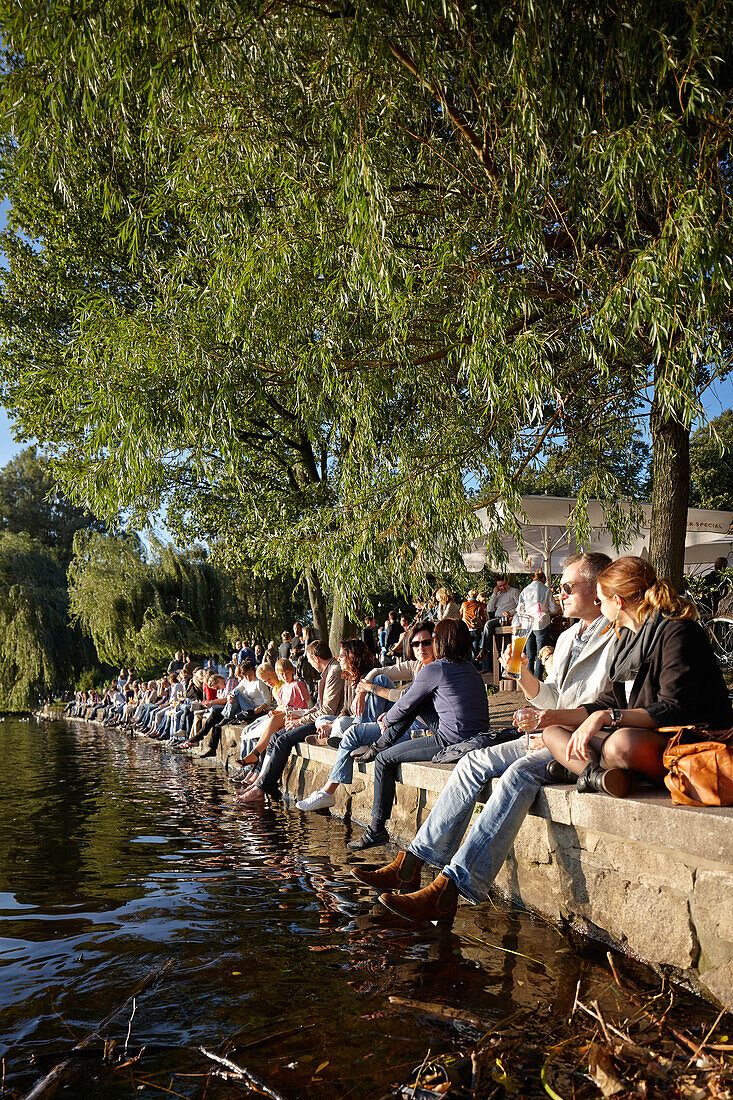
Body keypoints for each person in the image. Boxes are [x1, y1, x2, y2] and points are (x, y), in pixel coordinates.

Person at [351, 552, 615, 923]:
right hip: (550, 728)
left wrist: (551, 725)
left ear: (598, 587)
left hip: (578, 739)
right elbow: (552, 696)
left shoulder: (617, 634)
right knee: (473, 761)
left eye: (568, 586)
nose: (559, 593)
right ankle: (411, 863)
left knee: (516, 775)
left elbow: (607, 704)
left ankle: (447, 889)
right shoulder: (570, 635)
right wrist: (523, 675)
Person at [542, 555, 733, 796]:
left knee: (620, 745)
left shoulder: (678, 632)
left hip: (686, 740)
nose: (599, 607)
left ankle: (585, 771)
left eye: (601, 601)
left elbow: (671, 710)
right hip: (646, 736)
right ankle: (600, 777)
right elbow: (607, 700)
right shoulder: (628, 637)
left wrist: (608, 717)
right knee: (554, 730)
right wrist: (551, 716)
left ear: (618, 602)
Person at [347, 618, 490, 851]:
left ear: (441, 641)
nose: (429, 643)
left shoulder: (437, 668)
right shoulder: (470, 668)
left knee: (384, 760)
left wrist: (387, 719)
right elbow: (409, 702)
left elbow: (403, 706)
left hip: (454, 741)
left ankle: (376, 830)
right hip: (475, 736)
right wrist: (394, 716)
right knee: (416, 703)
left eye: (433, 639)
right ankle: (378, 747)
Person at [296, 625, 435, 812]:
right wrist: (363, 690)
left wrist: (370, 689)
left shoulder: (437, 669)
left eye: (425, 643)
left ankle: (327, 793)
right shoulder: (415, 666)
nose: (420, 648)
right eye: (415, 644)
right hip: (399, 722)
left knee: (352, 727)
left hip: (420, 730)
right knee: (342, 720)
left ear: (435, 642)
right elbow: (380, 671)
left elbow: (407, 700)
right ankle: (348, 741)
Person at [235, 640, 344, 806]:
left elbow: (328, 711)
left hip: (328, 722)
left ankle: (261, 788)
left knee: (283, 740)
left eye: (309, 660)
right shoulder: (329, 671)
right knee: (276, 737)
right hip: (320, 718)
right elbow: (317, 706)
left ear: (315, 658)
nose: (310, 665)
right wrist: (299, 717)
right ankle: (261, 784)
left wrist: (300, 720)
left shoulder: (334, 671)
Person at [514, 570, 558, 679]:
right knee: (541, 654)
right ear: (543, 579)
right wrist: (546, 610)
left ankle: (529, 679)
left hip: (528, 624)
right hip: (541, 623)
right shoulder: (546, 590)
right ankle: (537, 679)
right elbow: (554, 609)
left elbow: (519, 610)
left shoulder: (525, 590)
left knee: (530, 654)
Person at [477, 577, 520, 668]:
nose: (502, 588)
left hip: (508, 618)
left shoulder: (514, 592)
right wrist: (494, 594)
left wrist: (510, 612)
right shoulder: (498, 594)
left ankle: (483, 650)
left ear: (507, 583)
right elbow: (489, 609)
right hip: (498, 618)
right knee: (489, 630)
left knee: (488, 625)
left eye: (504, 585)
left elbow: (520, 607)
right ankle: (487, 658)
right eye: (500, 586)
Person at [460, 589, 488, 657]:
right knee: (475, 652)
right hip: (476, 630)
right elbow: (483, 618)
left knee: (467, 651)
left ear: (468, 596)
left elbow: (460, 615)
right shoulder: (479, 605)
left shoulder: (464, 604)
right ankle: (475, 665)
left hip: (466, 629)